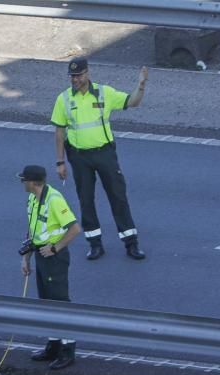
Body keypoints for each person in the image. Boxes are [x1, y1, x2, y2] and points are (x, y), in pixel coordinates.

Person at [52, 57, 148, 261]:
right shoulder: (64, 99)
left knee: (118, 196)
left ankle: (131, 243)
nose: (75, 79)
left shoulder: (105, 93)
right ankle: (95, 244)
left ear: (87, 73)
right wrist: (60, 162)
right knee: (86, 200)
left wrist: (140, 86)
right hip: (79, 157)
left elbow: (133, 102)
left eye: (78, 75)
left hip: (105, 154)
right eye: (72, 76)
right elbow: (59, 131)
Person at [18, 165, 81, 370]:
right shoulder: (32, 198)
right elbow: (32, 229)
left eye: (23, 180)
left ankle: (68, 349)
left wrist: (55, 248)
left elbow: (75, 228)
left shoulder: (54, 200)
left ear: (33, 182)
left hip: (54, 258)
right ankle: (53, 345)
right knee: (47, 302)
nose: (22, 183)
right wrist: (26, 258)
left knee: (60, 302)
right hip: (40, 255)